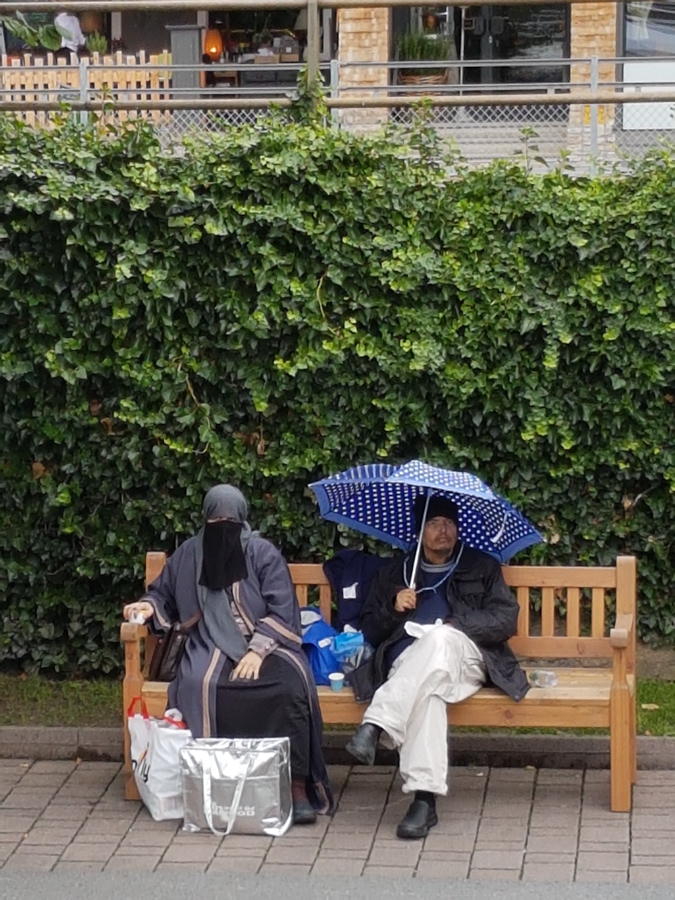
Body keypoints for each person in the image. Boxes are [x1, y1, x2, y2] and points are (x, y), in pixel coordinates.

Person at [123, 484, 332, 825]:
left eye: (230, 522)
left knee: (290, 687)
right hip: (208, 642)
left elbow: (283, 610)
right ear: (205, 520)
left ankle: (296, 787)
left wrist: (256, 651)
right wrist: (147, 607)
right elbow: (162, 595)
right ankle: (216, 785)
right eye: (215, 521)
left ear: (242, 520)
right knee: (199, 684)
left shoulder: (262, 553)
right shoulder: (189, 554)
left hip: (267, 644)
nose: (223, 528)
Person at [345, 495, 529, 840]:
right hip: (410, 666)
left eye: (448, 522)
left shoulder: (481, 566)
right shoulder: (396, 572)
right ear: (420, 530)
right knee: (429, 694)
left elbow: (506, 619)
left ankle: (377, 722)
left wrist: (458, 624)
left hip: (466, 658)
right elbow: (369, 629)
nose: (443, 530)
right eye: (433, 523)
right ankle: (423, 801)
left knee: (439, 639)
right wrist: (393, 606)